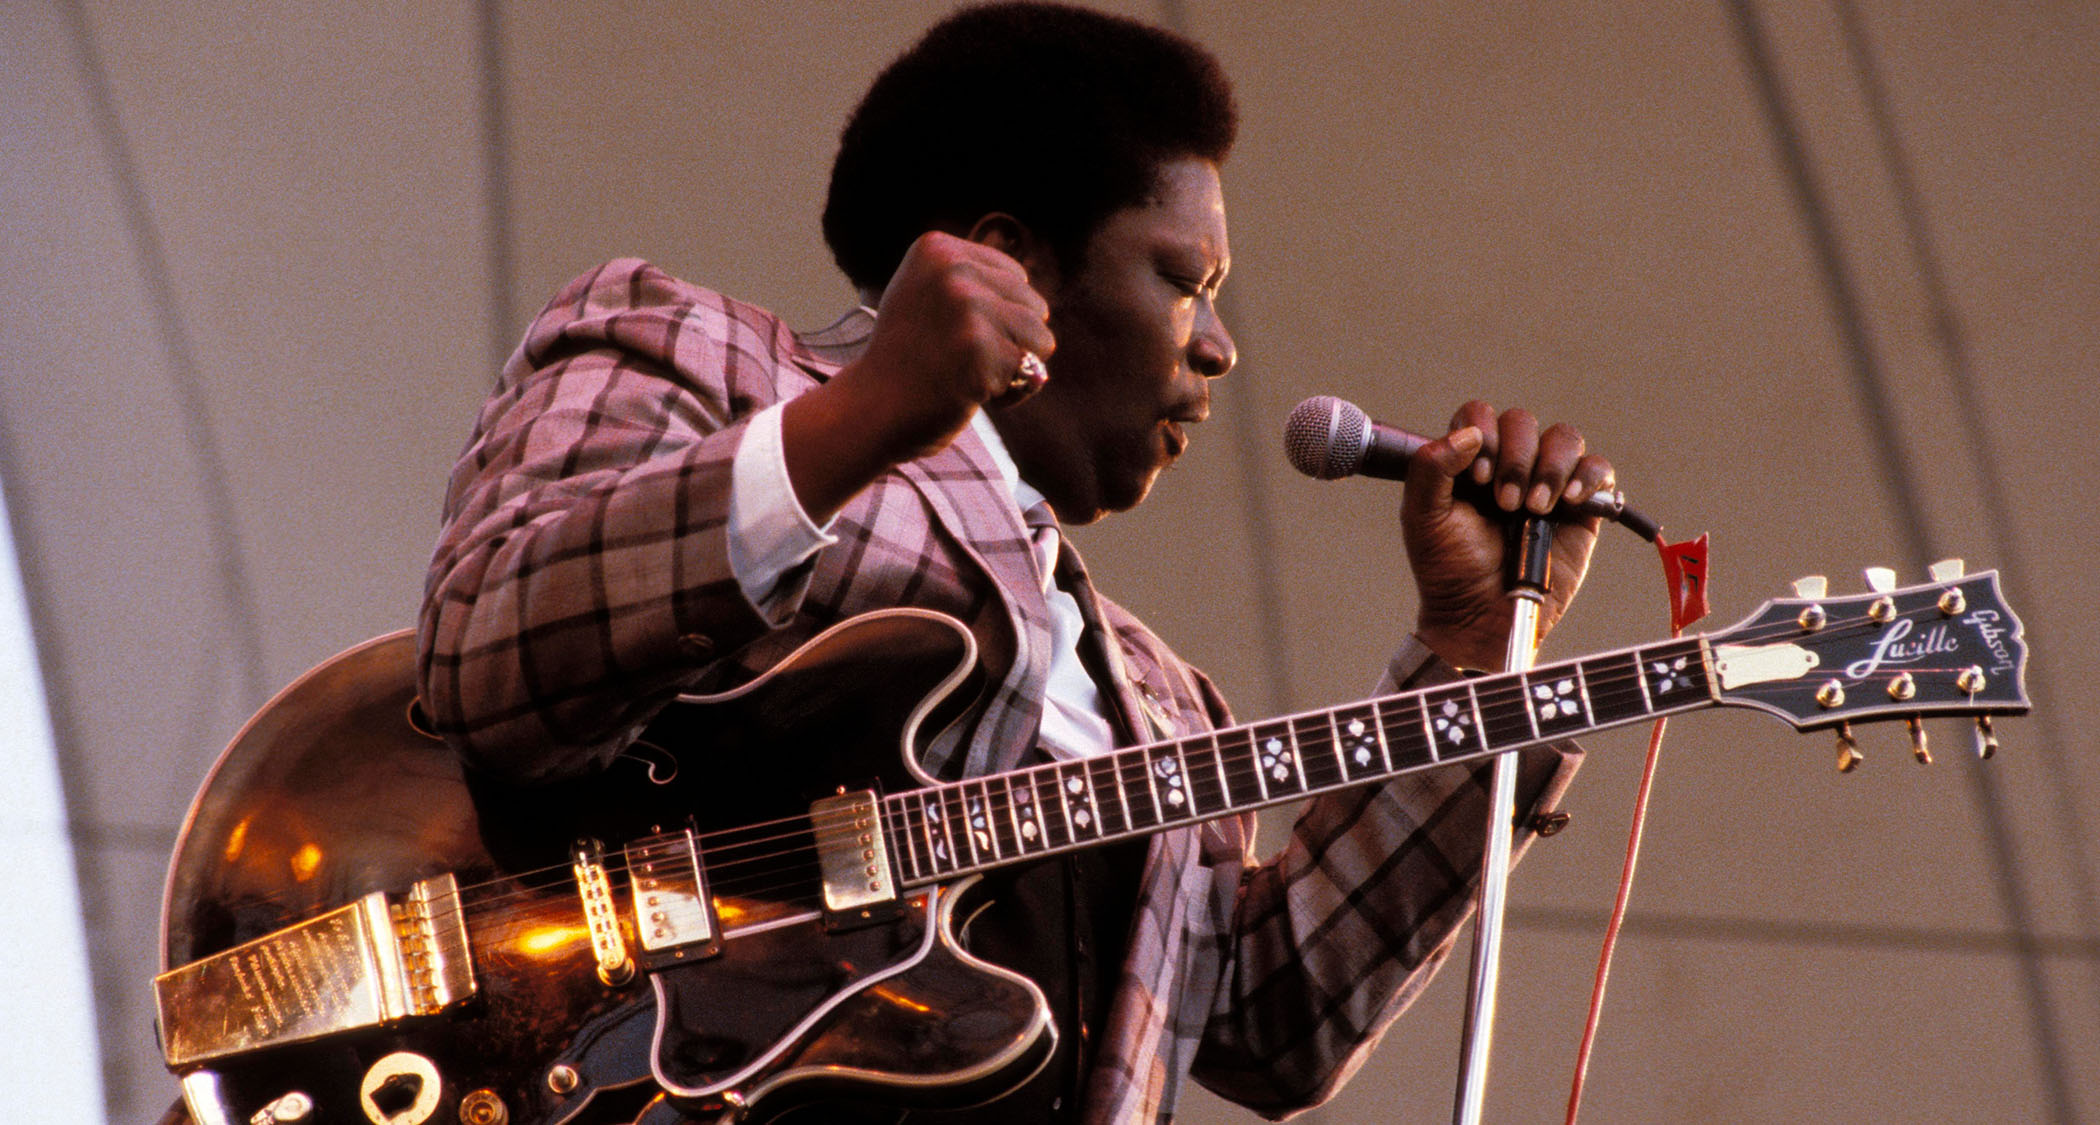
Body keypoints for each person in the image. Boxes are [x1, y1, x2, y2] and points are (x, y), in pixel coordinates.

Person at [418, 3, 1615, 1121]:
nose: (1220, 350)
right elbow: (490, 657)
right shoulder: (705, 360)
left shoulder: (1160, 703)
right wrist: (874, 407)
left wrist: (1473, 641)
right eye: (1183, 281)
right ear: (1011, 266)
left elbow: (1272, 1029)